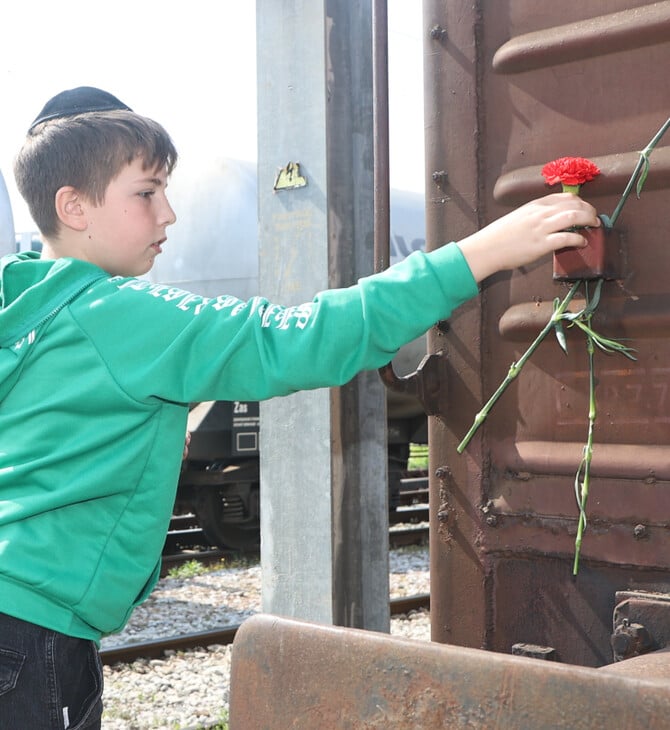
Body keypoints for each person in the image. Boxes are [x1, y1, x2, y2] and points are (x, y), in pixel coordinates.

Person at [0, 86, 600, 728]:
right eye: (146, 193)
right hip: (35, 635)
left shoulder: (28, 310)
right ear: (74, 207)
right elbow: (297, 337)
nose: (168, 214)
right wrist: (484, 252)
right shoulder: (117, 313)